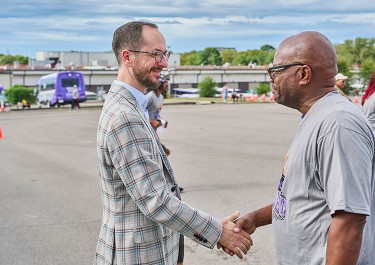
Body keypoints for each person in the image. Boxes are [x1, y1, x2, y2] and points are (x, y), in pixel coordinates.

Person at [94, 21, 252, 265]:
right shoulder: (124, 116)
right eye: (156, 54)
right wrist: (218, 231)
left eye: (165, 54)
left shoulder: (132, 107)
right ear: (127, 57)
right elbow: (155, 200)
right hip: (137, 256)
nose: (164, 63)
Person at [228, 31, 375, 264]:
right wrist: (256, 218)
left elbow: (350, 219)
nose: (271, 78)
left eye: (275, 70)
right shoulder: (316, 115)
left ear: (303, 74)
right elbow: (301, 197)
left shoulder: (337, 123)